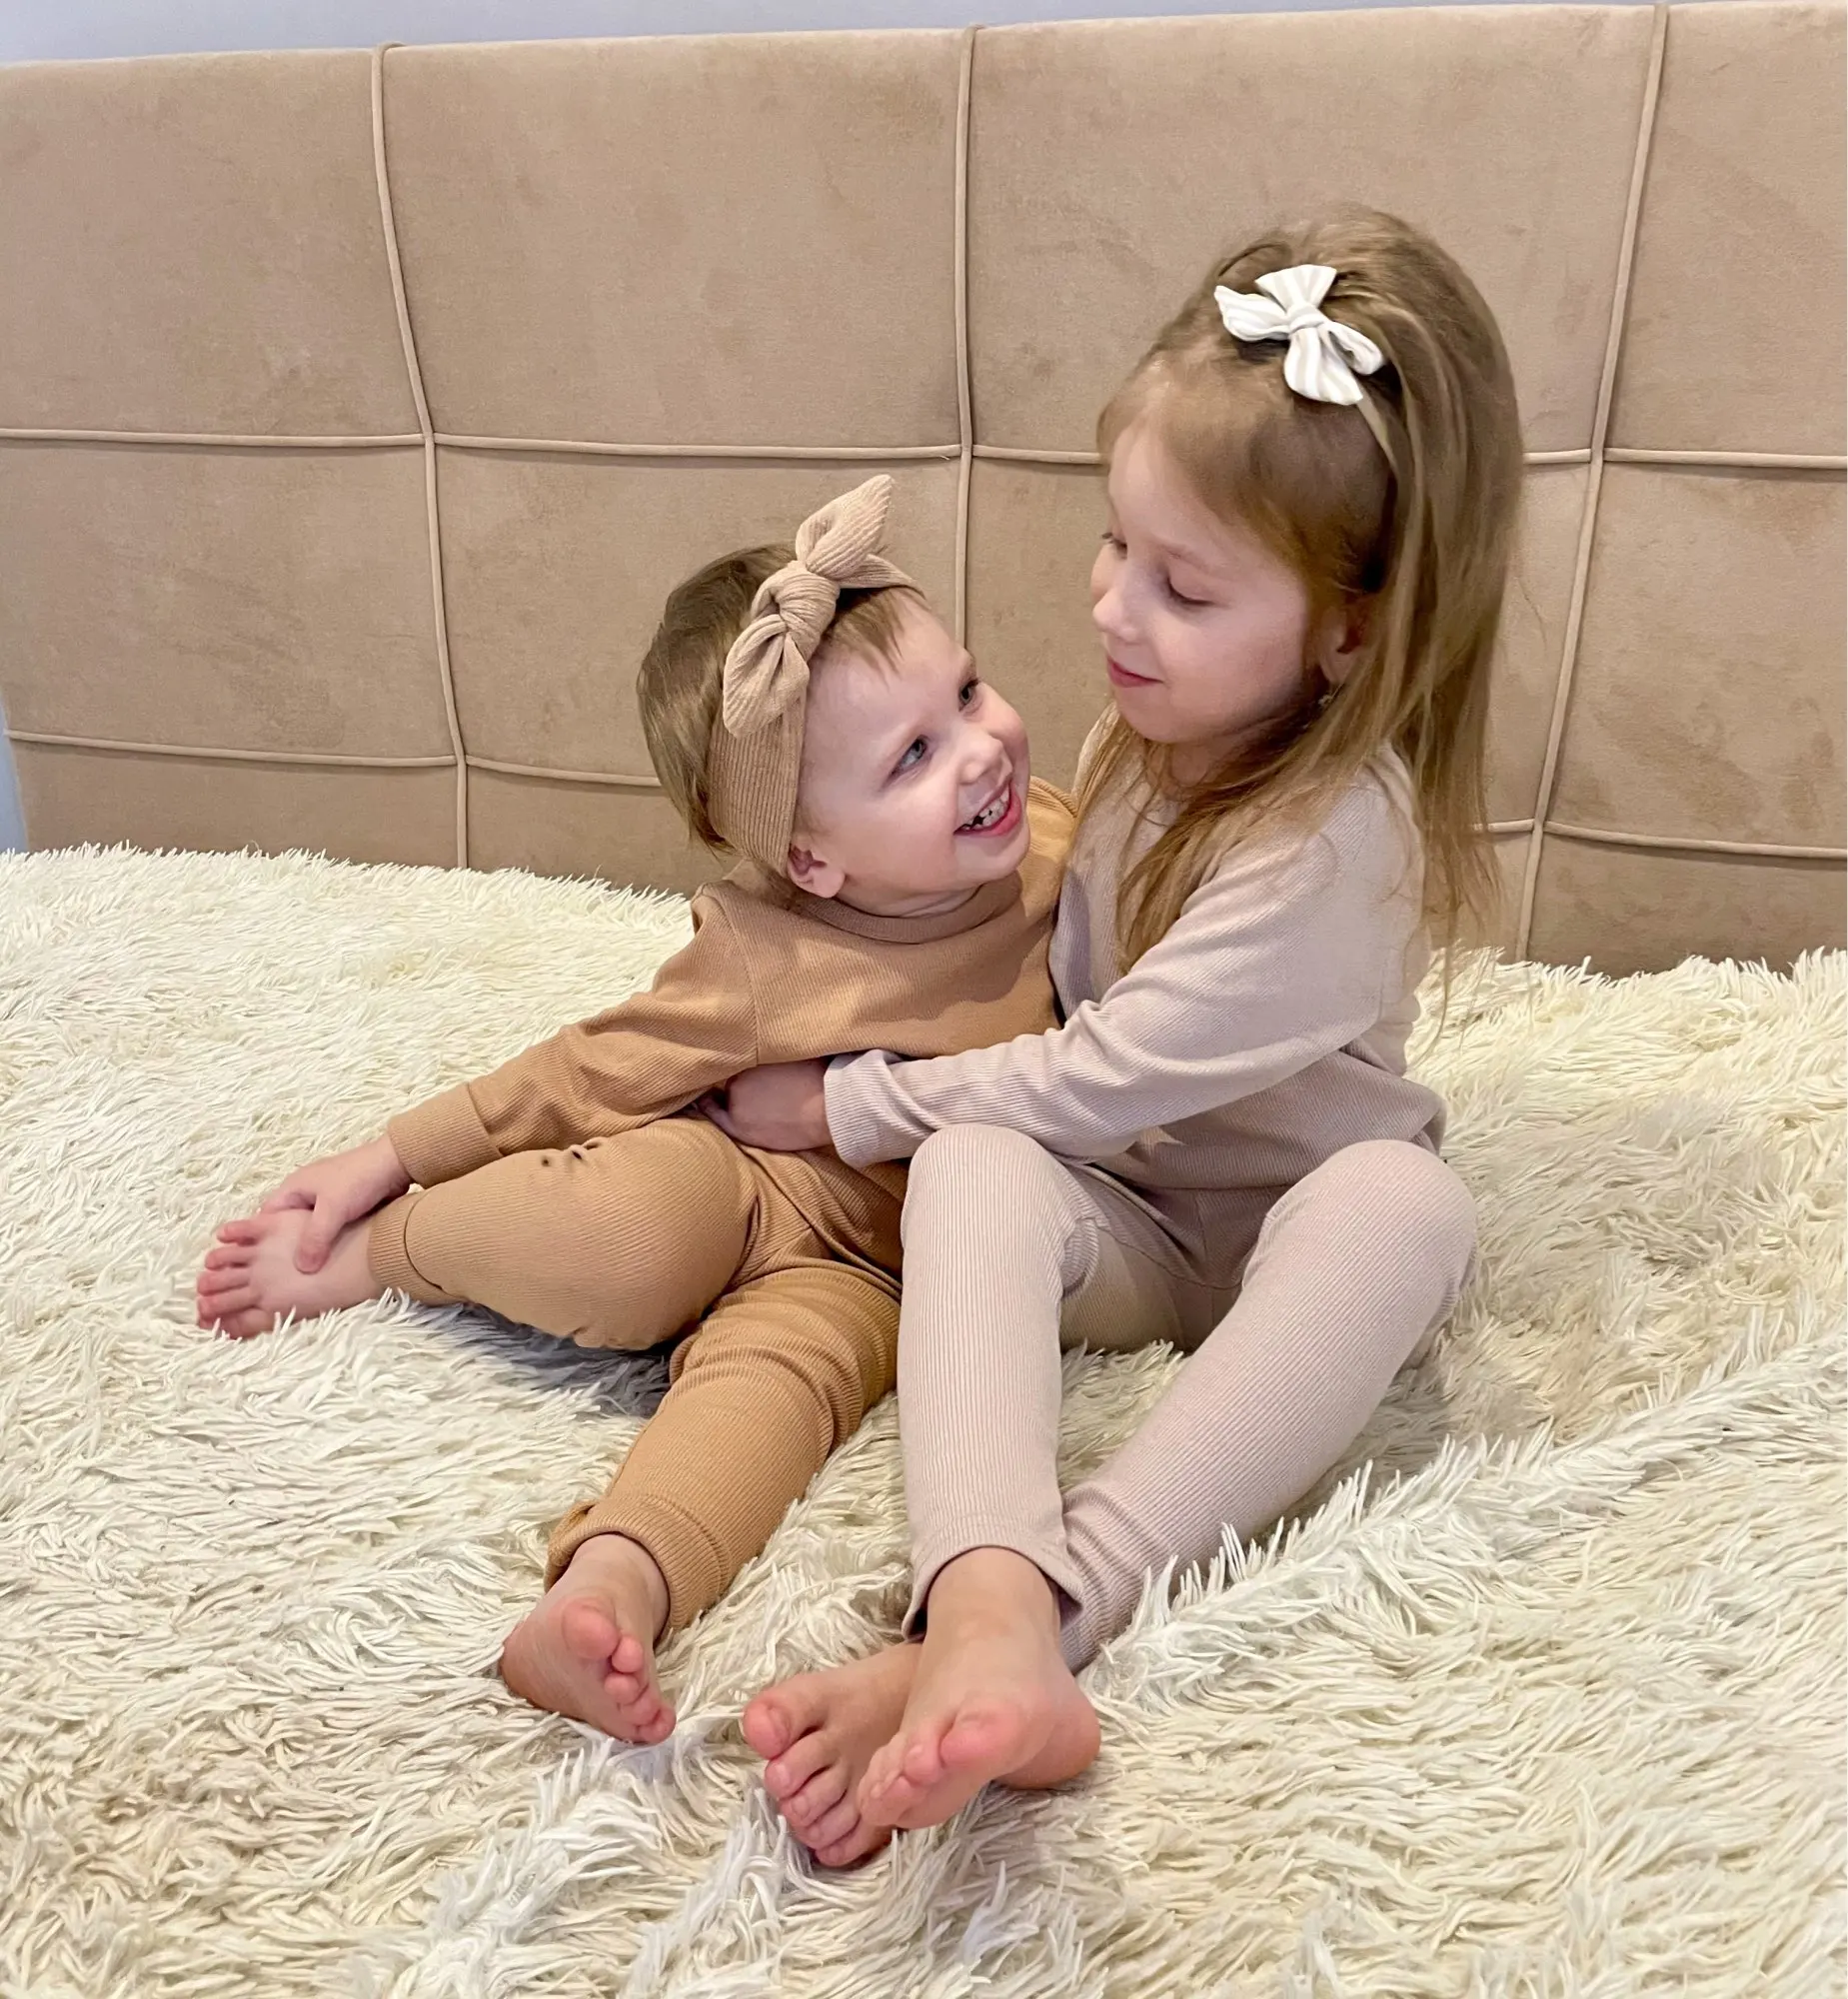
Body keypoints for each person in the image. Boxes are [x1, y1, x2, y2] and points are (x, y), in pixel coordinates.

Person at [712, 212, 1524, 1868]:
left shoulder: (1335, 841)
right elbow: (1056, 1016)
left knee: (1406, 1208)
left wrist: (849, 1100)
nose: (1111, 607)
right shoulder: (1144, 733)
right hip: (1141, 1214)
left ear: (1350, 629)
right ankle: (984, 1599)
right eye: (1113, 546)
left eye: (1182, 587)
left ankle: (1040, 1613)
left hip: (1290, 1225)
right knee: (978, 1158)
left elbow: (1110, 1062)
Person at [193, 477, 1072, 1748]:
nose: (982, 750)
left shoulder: (1062, 843)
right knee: (630, 1233)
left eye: (970, 694)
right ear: (813, 859)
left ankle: (608, 1590)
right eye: (913, 757)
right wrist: (386, 1159)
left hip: (883, 1270)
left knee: (770, 1398)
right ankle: (389, 1255)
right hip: (751, 1178)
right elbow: (589, 1069)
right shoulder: (767, 955)